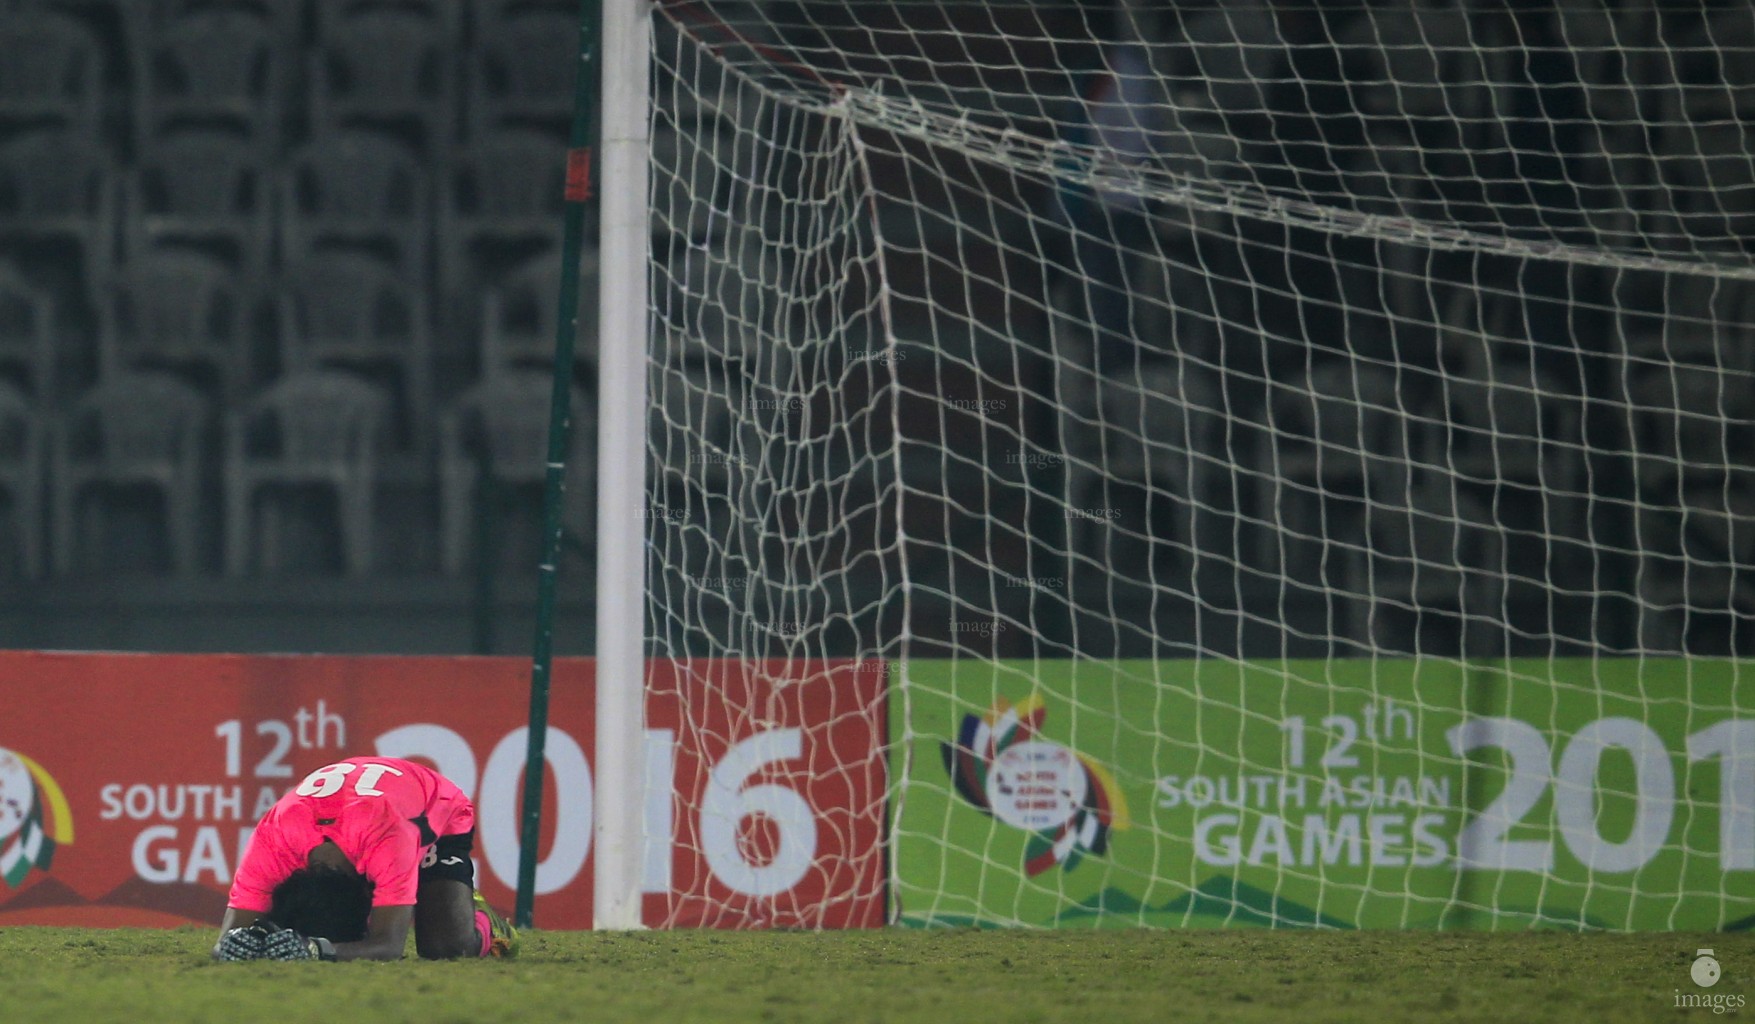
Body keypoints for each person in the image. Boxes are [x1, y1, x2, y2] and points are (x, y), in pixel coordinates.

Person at [212, 756, 517, 962]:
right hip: (371, 806)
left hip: (436, 807)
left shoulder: (389, 839)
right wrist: (244, 943)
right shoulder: (273, 839)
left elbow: (389, 945)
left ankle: (486, 922)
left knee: (446, 947)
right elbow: (227, 939)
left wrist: (317, 949)